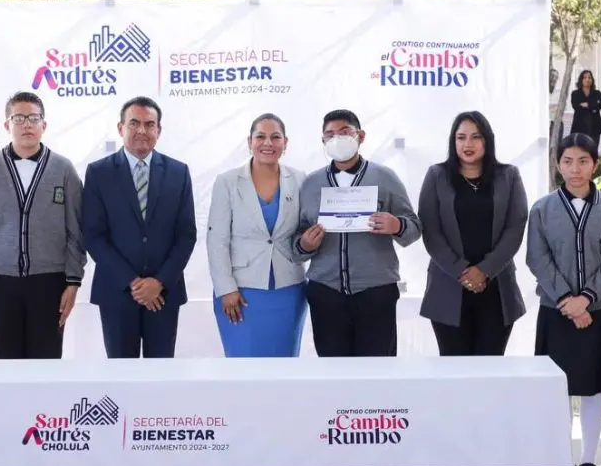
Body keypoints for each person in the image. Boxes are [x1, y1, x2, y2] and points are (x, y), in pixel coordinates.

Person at [526, 133, 601, 466]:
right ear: (557, 165)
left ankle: (589, 460)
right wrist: (569, 300)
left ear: (595, 165)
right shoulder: (541, 210)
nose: (575, 168)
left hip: (598, 310)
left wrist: (586, 298)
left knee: (593, 388)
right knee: (558, 390)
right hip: (557, 311)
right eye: (567, 161)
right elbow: (537, 259)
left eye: (583, 161)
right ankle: (559, 459)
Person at [0, 91, 86, 359]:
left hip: (50, 282)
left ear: (44, 125)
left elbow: (76, 231)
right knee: (6, 361)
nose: (27, 124)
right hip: (0, 282)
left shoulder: (64, 170)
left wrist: (73, 282)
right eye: (19, 118)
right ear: (7, 125)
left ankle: (45, 404)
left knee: (47, 359)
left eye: (33, 118)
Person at [291, 109, 421, 357]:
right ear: (322, 141)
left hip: (376, 292)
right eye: (329, 134)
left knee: (377, 372)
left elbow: (413, 227)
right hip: (325, 292)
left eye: (344, 132)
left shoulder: (385, 177)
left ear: (360, 136)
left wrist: (397, 226)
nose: (336, 139)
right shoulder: (310, 183)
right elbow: (295, 241)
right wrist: (305, 244)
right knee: (333, 372)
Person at [82, 96, 197, 358]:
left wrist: (158, 282)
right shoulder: (99, 173)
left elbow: (186, 235)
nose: (142, 130)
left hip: (164, 294)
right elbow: (94, 236)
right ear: (120, 128)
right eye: (134, 123)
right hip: (117, 293)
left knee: (161, 377)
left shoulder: (178, 172)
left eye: (149, 124)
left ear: (159, 130)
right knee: (122, 380)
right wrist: (134, 282)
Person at [417, 111, 528, 356]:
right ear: (452, 141)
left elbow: (515, 227)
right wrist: (463, 273)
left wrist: (484, 270)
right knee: (454, 373)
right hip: (448, 287)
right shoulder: (437, 176)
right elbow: (431, 231)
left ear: (487, 140)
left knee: (490, 371)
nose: (468, 144)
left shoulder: (508, 176)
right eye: (461, 137)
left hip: (497, 289)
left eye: (476, 137)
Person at [206, 113, 307, 357]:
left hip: (288, 289)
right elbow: (217, 240)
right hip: (240, 292)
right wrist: (226, 289)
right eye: (260, 136)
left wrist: (308, 242)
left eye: (275, 137)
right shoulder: (227, 181)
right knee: (243, 367)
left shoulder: (300, 180)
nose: (268, 143)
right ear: (249, 141)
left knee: (284, 365)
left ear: (285, 143)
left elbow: (303, 232)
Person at [570, 70, 601, 147]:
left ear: (592, 80)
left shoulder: (597, 93)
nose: (587, 79)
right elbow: (576, 106)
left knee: (593, 149)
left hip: (595, 126)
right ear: (581, 80)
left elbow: (600, 105)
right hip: (579, 125)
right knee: (580, 149)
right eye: (585, 77)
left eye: (589, 77)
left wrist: (588, 105)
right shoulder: (575, 94)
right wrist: (593, 108)